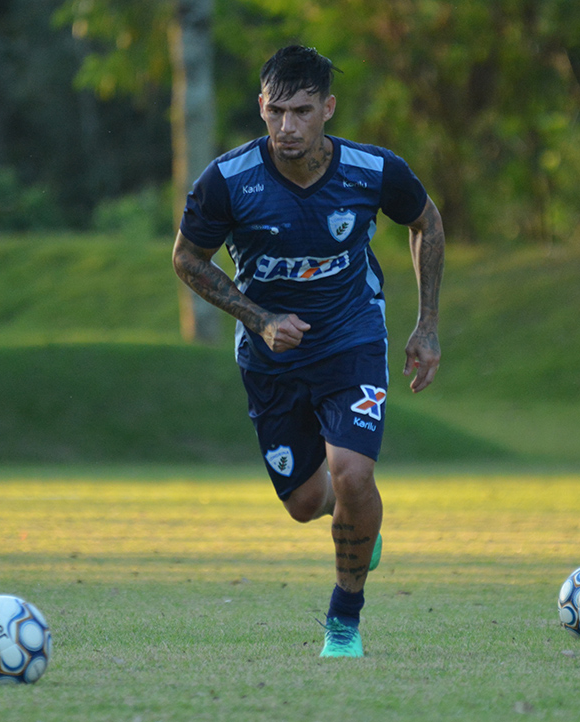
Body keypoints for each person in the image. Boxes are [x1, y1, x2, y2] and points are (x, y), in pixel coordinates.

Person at [172, 45, 444, 658]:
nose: (287, 127)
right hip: (270, 358)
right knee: (304, 504)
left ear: (328, 108)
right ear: (261, 109)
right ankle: (360, 525)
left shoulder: (373, 171)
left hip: (352, 339)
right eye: (275, 112)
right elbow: (188, 260)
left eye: (301, 111)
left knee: (353, 473)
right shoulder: (227, 181)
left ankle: (343, 624)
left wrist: (426, 326)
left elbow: (426, 221)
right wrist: (260, 317)